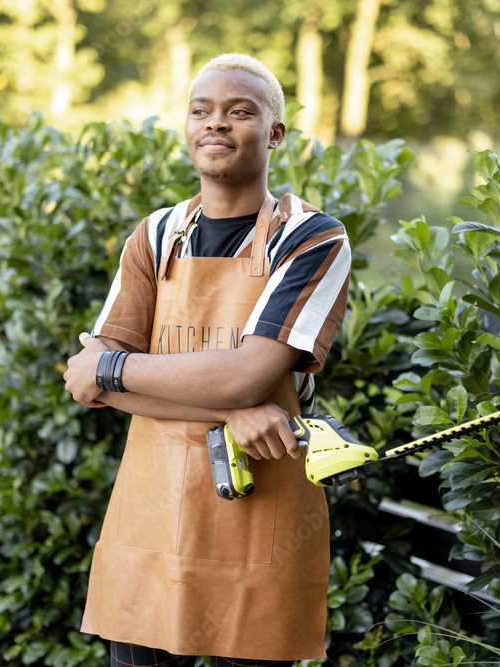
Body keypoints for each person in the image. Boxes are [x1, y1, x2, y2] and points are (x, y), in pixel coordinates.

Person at [63, 53, 351, 667]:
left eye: (239, 111)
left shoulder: (310, 238)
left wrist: (116, 371)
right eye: (201, 110)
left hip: (260, 517)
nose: (216, 123)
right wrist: (231, 410)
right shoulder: (156, 234)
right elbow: (87, 381)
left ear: (275, 134)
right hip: (152, 517)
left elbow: (246, 374)